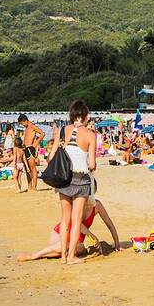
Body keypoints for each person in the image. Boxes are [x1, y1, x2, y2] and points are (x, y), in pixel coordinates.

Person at [56, 100, 97, 265]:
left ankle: (63, 256)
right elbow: (92, 164)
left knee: (65, 220)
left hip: (64, 179)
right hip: (81, 180)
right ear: (85, 116)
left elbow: (53, 155)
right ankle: (71, 256)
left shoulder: (62, 130)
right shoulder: (89, 134)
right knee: (76, 219)